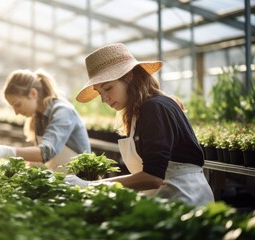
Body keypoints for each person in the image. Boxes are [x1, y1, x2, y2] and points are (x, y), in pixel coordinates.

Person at [65, 43, 214, 206]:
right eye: (100, 92)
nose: (104, 98)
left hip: (185, 199)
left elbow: (153, 177)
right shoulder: (140, 111)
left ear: (129, 76)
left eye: (108, 88)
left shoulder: (154, 108)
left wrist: (92, 186)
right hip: (166, 198)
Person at [0, 69, 91, 173]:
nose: (16, 112)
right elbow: (42, 160)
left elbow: (45, 152)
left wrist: (9, 152)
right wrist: (18, 167)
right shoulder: (39, 118)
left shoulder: (62, 111)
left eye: (17, 104)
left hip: (82, 181)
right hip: (62, 179)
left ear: (33, 93)